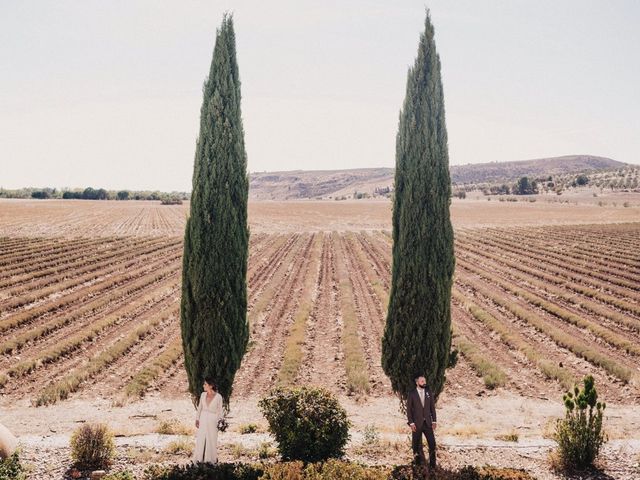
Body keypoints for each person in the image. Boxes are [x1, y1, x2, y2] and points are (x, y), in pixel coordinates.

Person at [406, 374, 437, 469]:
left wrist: (434, 421)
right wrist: (411, 423)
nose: (424, 383)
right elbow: (409, 409)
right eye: (422, 381)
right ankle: (417, 464)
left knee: (432, 444)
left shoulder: (428, 392)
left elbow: (432, 407)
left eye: (425, 381)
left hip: (428, 424)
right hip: (416, 424)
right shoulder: (412, 393)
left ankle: (432, 465)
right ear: (417, 382)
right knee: (415, 445)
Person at [193, 377, 223, 463]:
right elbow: (199, 408)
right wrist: (197, 419)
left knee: (211, 439)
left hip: (213, 421)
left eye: (205, 384)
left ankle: (210, 460)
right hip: (202, 419)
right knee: (201, 438)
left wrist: (221, 422)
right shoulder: (203, 395)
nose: (203, 386)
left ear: (211, 386)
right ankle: (199, 459)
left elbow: (220, 411)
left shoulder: (218, 397)